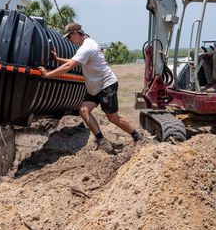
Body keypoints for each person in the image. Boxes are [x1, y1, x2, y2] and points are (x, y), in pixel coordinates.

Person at [38, 22, 141, 153]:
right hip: (95, 88)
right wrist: (58, 59)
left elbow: (69, 66)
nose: (69, 41)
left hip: (106, 85)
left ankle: (137, 136)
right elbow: (73, 62)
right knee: (83, 110)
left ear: (75, 33)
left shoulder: (87, 47)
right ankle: (102, 141)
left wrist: (48, 74)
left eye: (69, 37)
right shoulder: (87, 45)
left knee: (112, 117)